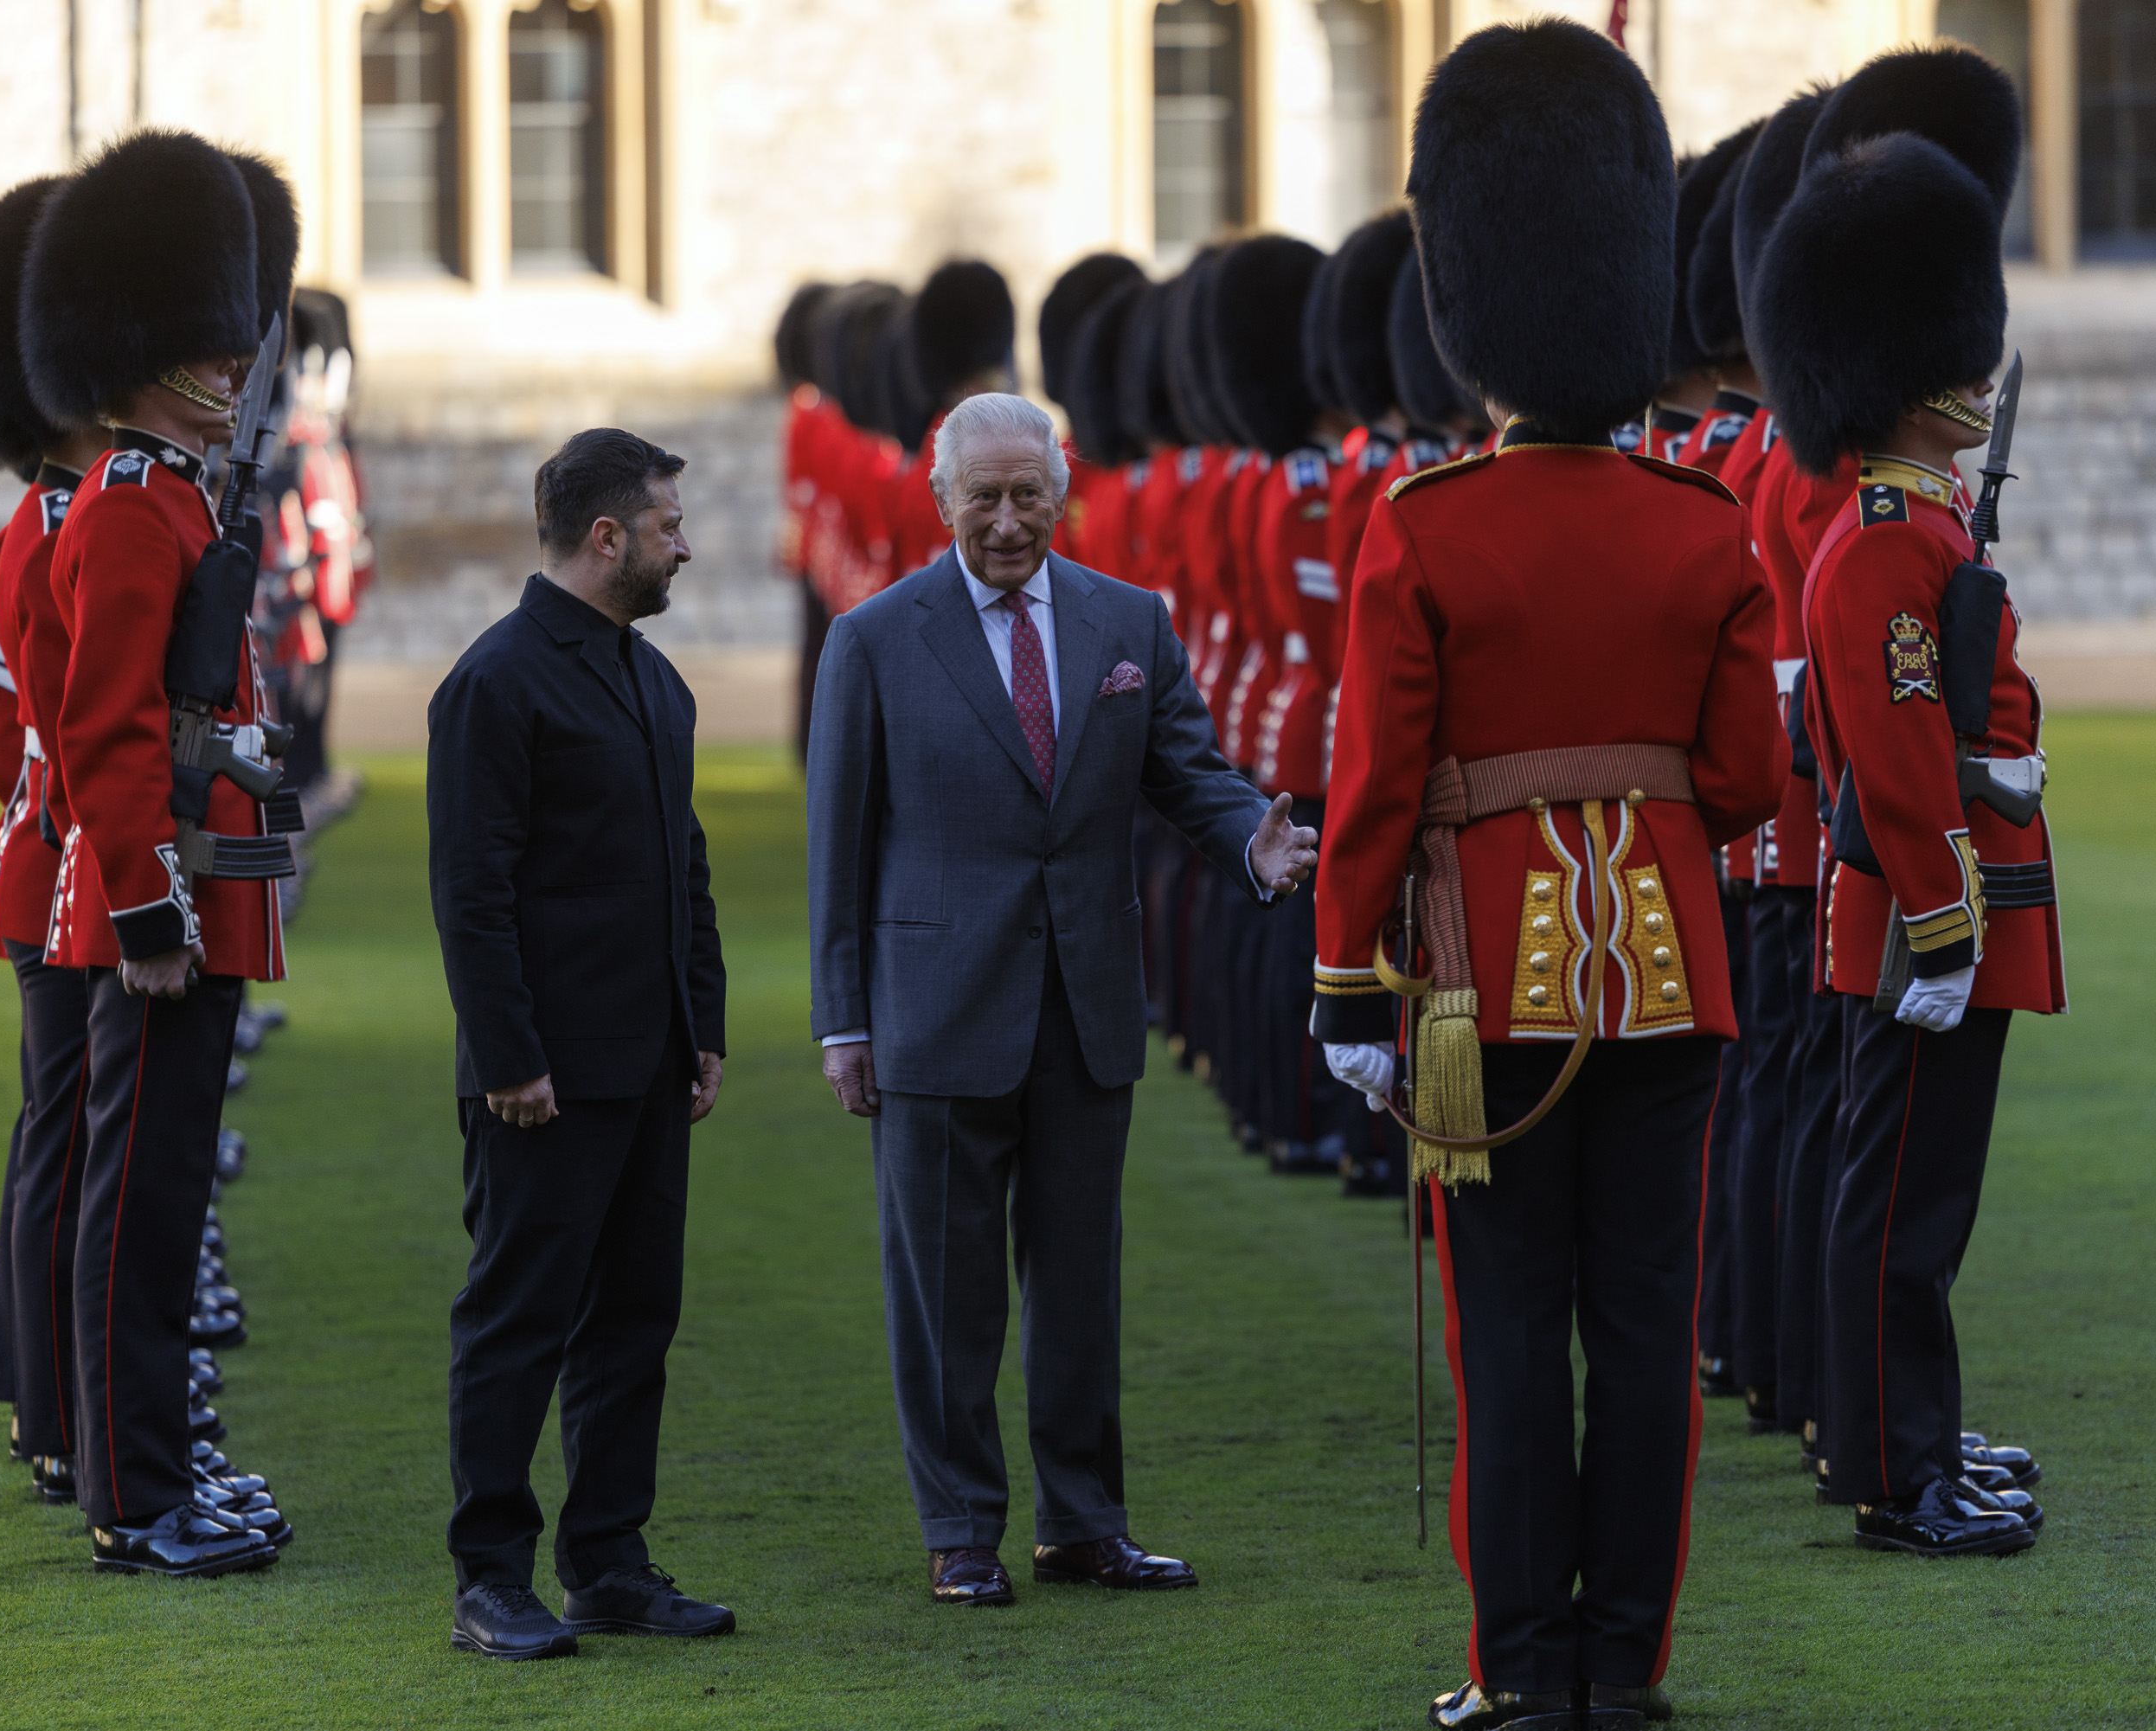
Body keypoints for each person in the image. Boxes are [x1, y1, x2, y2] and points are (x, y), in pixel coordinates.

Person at [1309, 24, 1784, 1728]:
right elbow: (1745, 780)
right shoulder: (1703, 525)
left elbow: (1371, 788)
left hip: (1468, 984)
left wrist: (1348, 977)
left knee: (1503, 1332)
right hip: (1670, 975)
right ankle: (1620, 1667)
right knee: (1649, 1333)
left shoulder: (1421, 528)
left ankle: (1518, 1671)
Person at [805, 391, 1318, 1608]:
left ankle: (1085, 1520)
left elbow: (1192, 770)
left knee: (1080, 1283)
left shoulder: (1127, 619)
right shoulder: (874, 638)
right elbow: (841, 846)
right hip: (932, 1007)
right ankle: (961, 1527)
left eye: (1026, 494)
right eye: (980, 497)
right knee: (947, 1291)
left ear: (1061, 490)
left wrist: (1256, 844)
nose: (1004, 519)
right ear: (942, 501)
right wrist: (844, 1021)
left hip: (1085, 1003)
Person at [1755, 46, 2063, 1559]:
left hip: (1948, 912)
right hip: (1918, 921)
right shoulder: (1881, 540)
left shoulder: (1922, 529)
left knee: (1926, 1206)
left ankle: (1920, 1441)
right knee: (1895, 1211)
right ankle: (1891, 1472)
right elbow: (1884, 747)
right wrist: (1942, 925)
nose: (1974, 372)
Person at [18, 130, 302, 1578]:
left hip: (200, 905)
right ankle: (133, 1496)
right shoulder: (133, 505)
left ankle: (164, 1463)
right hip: (155, 912)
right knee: (136, 1208)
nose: (239, 355)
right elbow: (108, 732)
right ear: (161, 348)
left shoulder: (177, 493)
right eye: (218, 335)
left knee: (171, 1196)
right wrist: (149, 912)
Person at [426, 428, 732, 1659]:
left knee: (633, 1322)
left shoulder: (655, 681)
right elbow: (472, 890)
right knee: (518, 1323)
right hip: (541, 1080)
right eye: (666, 525)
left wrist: (701, 1026)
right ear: (606, 537)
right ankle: (490, 1575)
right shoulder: (497, 681)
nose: (684, 544)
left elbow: (685, 869)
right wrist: (508, 1056)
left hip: (648, 1065)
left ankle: (607, 1559)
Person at [0, 171, 110, 1478]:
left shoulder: (48, 520)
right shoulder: (49, 530)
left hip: (51, 857)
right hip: (61, 863)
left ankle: (40, 1396)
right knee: (65, 1144)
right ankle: (60, 1418)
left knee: (54, 1134)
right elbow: (37, 734)